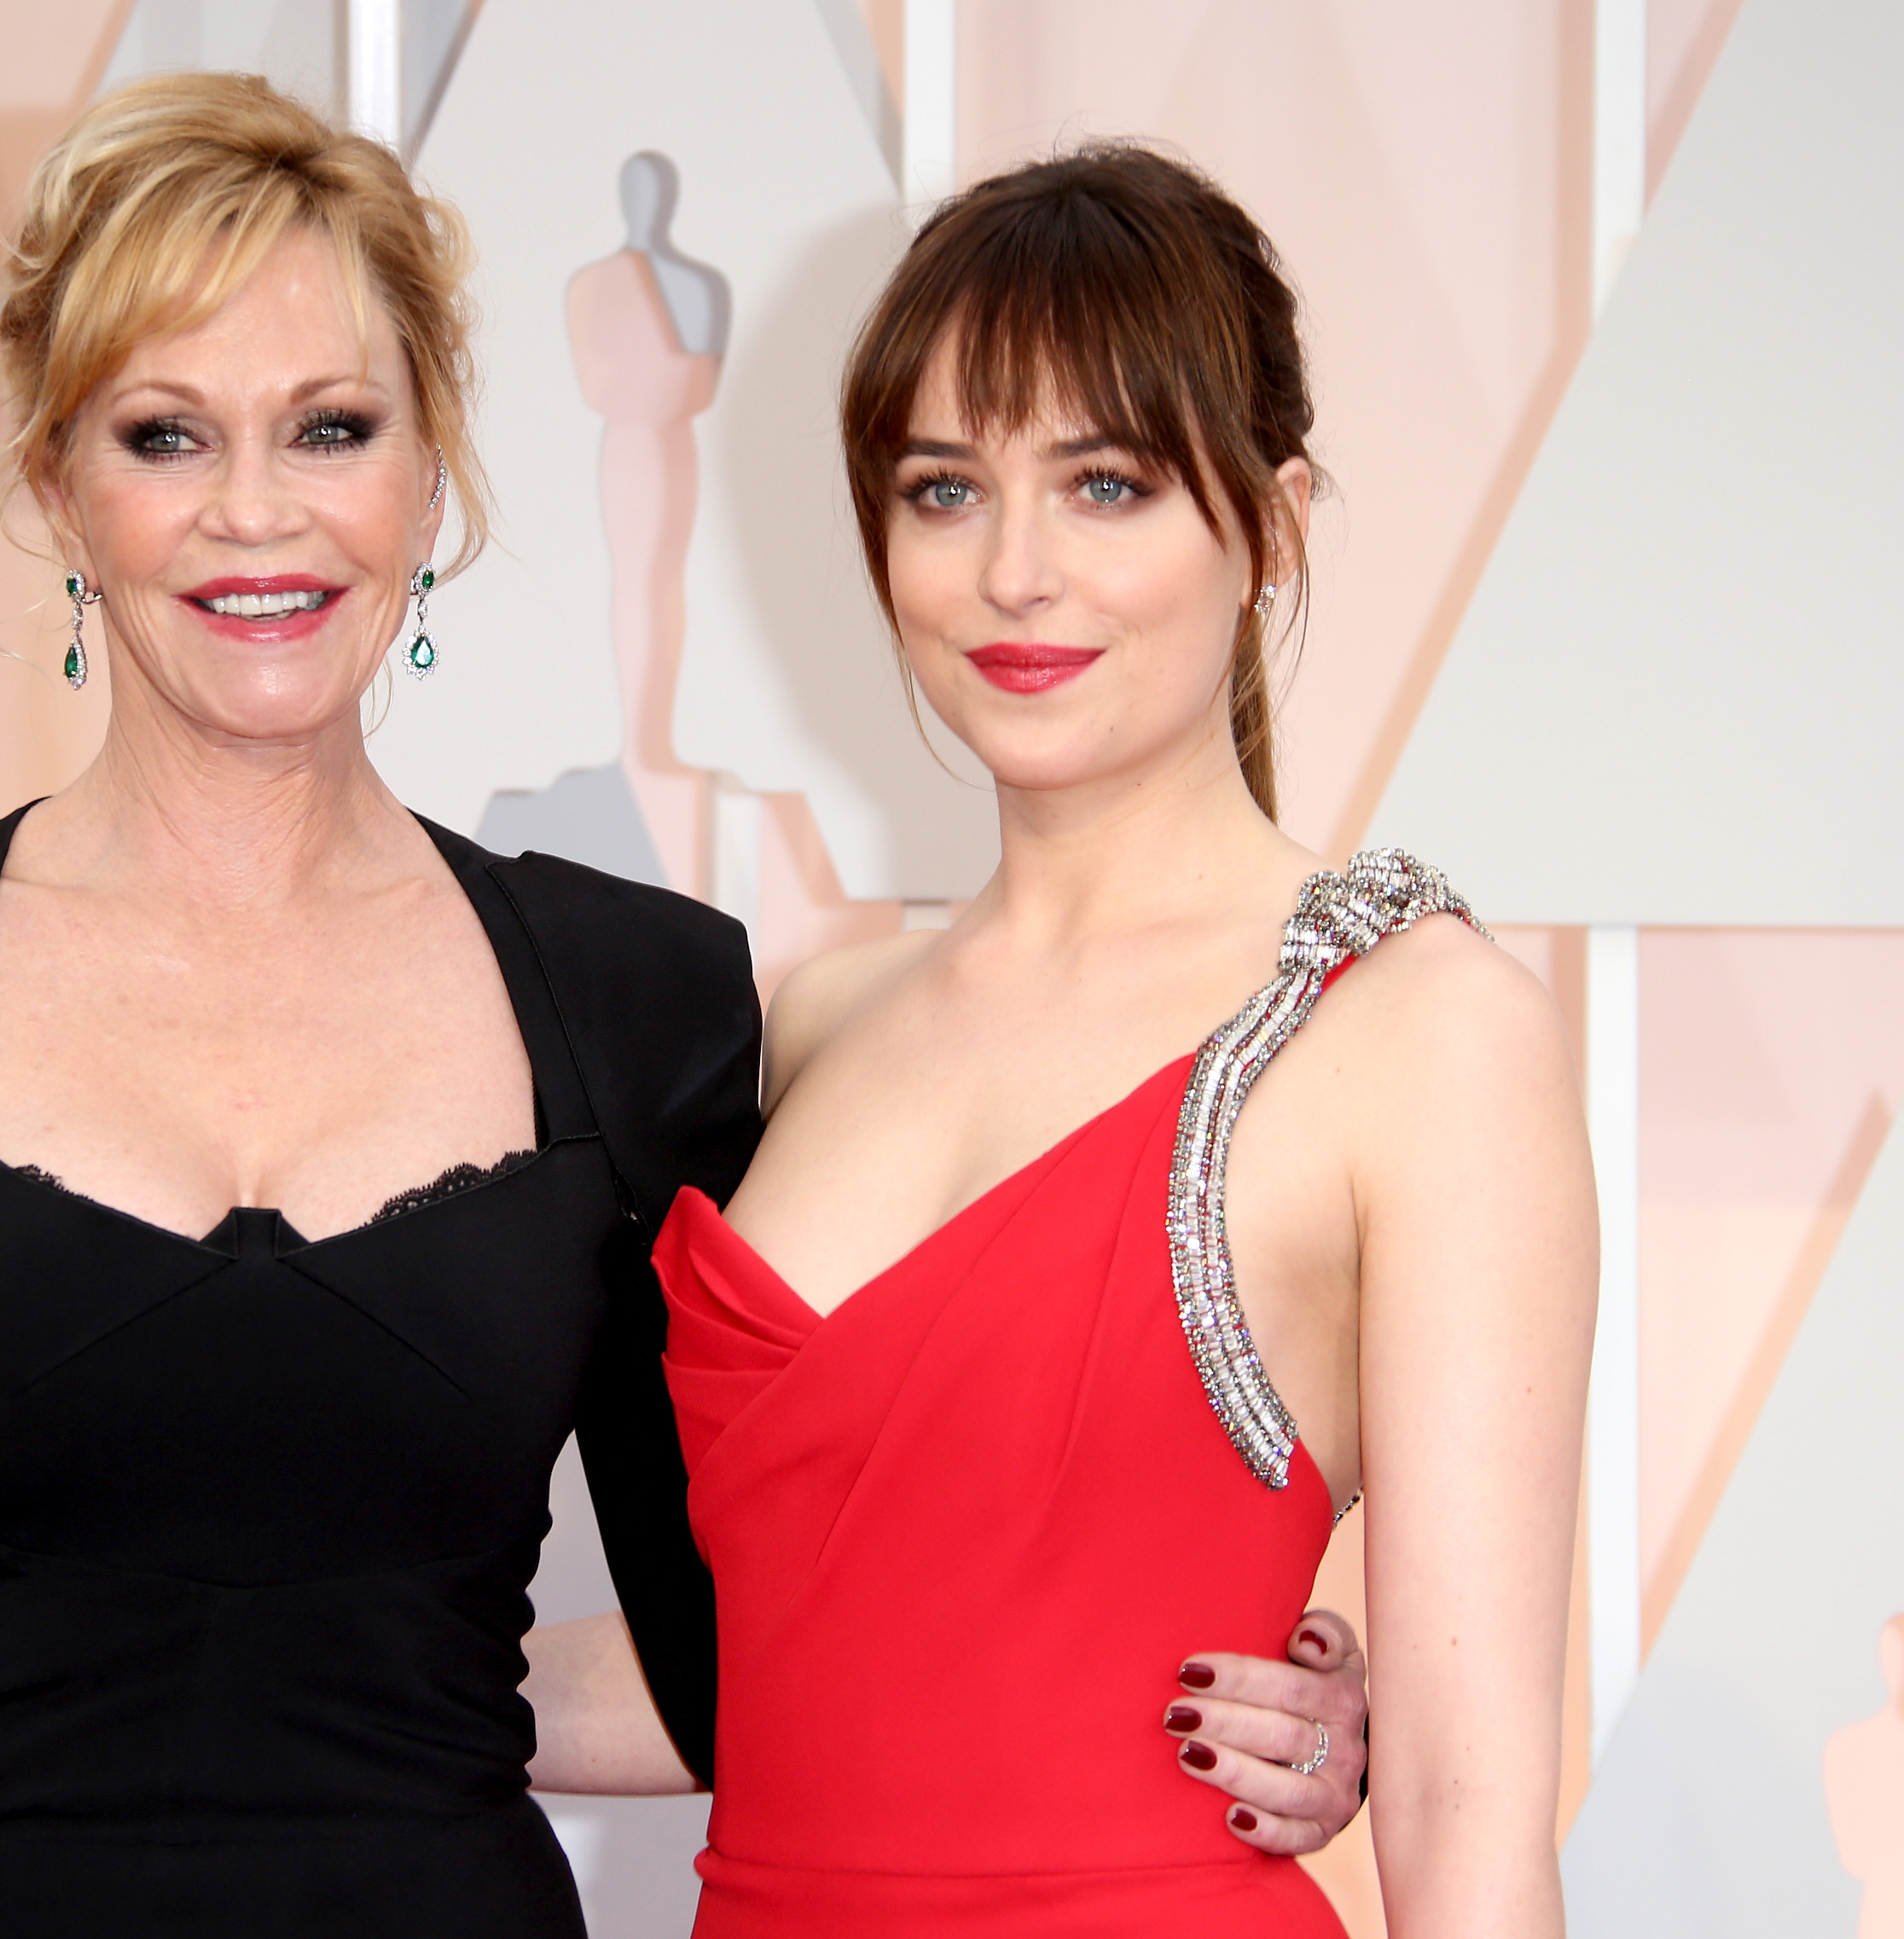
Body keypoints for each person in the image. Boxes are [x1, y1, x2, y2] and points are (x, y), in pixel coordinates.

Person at [0, 82, 1369, 1937]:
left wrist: (1226, 1705)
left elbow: (765, 1653)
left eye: (331, 427)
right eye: (166, 434)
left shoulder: (639, 1010)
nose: (258, 513)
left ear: (429, 474)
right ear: (57, 484)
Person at [651, 145, 1597, 1936]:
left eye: (1106, 485)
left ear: (1275, 516)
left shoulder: (1426, 1032)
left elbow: (1474, 1813)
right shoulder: (816, 1022)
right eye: (946, 490)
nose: (1016, 572)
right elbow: (781, 1655)